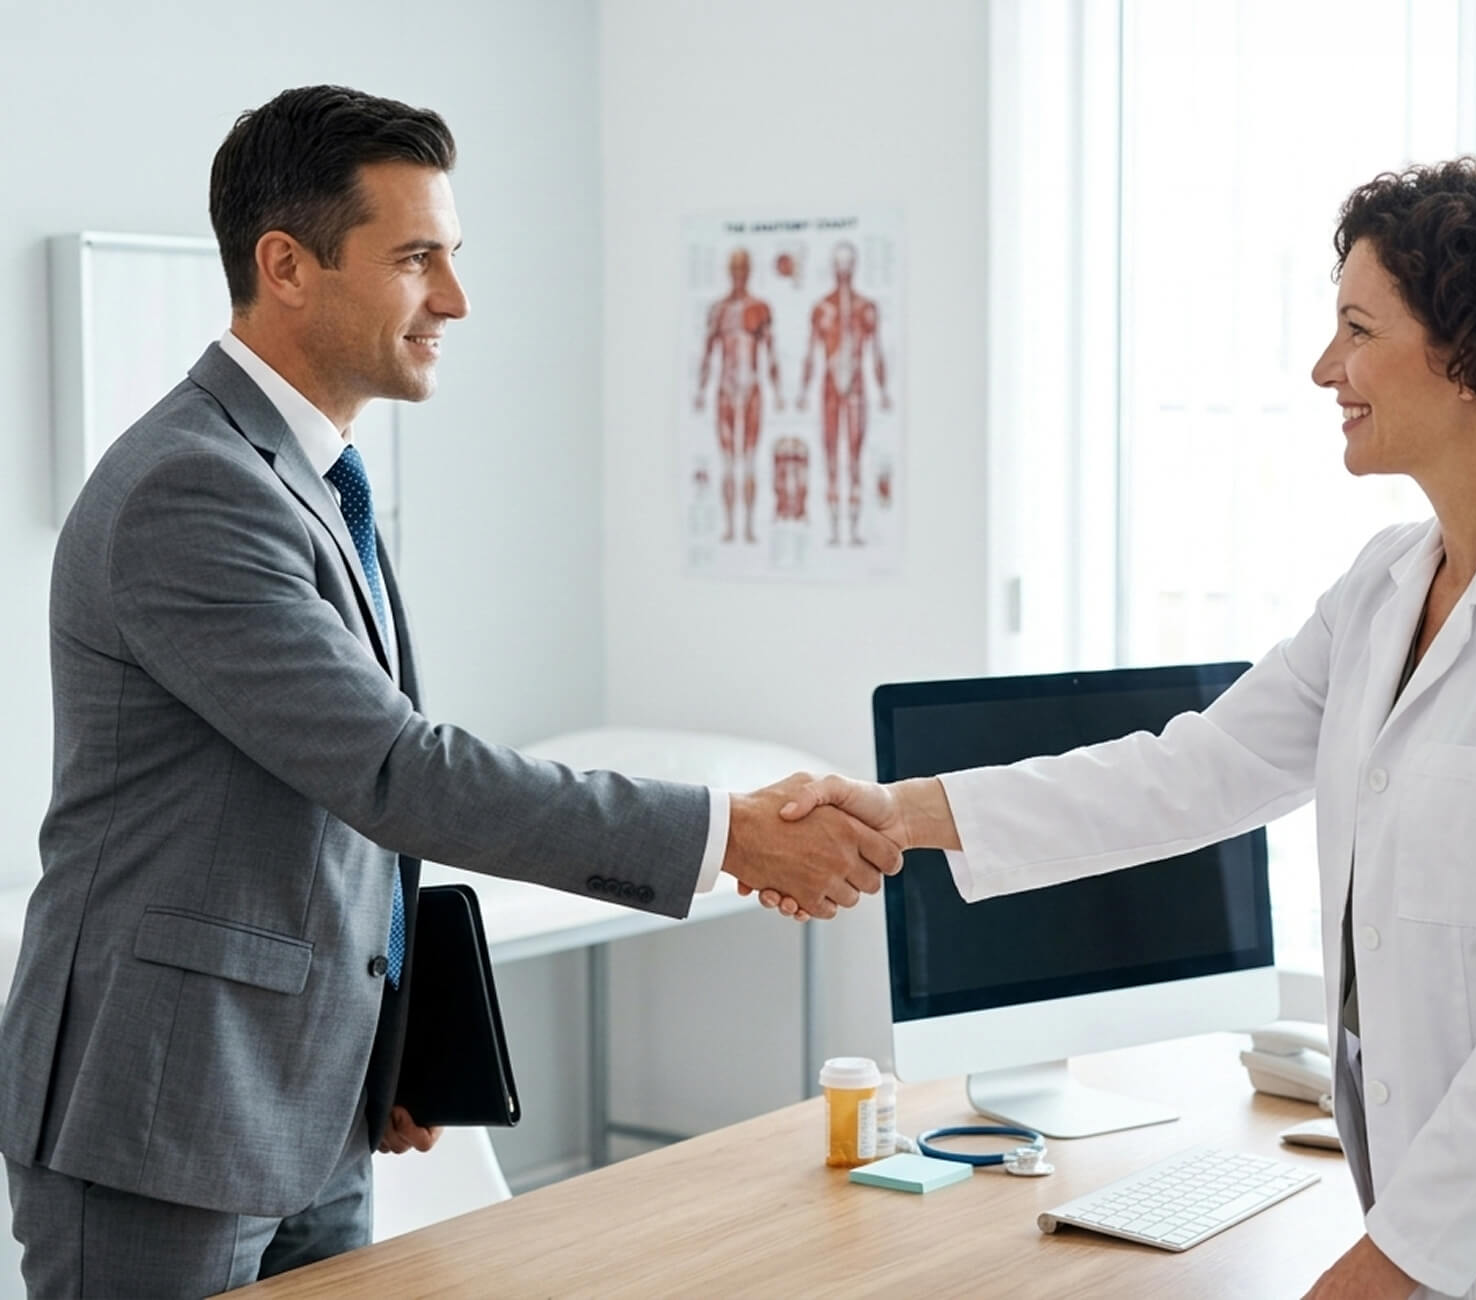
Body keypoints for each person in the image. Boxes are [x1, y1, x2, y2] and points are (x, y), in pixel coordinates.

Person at [763, 160, 1476, 1297]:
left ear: (1467, 353)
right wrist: (903, 812)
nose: (1325, 367)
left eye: (1356, 328)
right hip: (1447, 1226)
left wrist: (1390, 1261)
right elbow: (1193, 771)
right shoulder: (1385, 585)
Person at [0, 85, 897, 1297]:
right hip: (172, 1108)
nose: (456, 299)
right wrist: (727, 832)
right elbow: (394, 769)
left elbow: (327, 803)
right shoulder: (192, 489)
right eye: (417, 258)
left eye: (452, 255)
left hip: (312, 1097)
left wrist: (388, 1039)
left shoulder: (308, 475)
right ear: (287, 266)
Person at [797, 241, 889, 546]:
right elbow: (811, 353)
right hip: (829, 387)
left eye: (848, 264)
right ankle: (835, 529)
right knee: (831, 457)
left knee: (854, 458)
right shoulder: (822, 309)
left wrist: (884, 390)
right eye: (839, 264)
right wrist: (802, 390)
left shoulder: (866, 309)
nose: (844, 271)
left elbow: (876, 352)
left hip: (857, 388)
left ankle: (855, 529)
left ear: (855, 266)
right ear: (834, 268)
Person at [693, 247, 783, 544]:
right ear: (728, 272)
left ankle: (748, 528)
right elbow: (708, 353)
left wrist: (779, 391)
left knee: (749, 459)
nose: (739, 275)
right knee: (729, 461)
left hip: (752, 388)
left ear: (750, 272)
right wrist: (701, 390)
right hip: (725, 388)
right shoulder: (718, 310)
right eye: (735, 269)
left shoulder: (760, 308)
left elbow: (770, 353)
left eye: (744, 269)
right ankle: (731, 527)